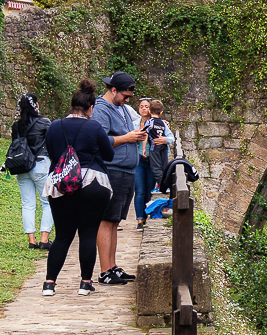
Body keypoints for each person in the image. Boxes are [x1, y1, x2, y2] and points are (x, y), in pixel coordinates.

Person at [42, 80, 115, 297]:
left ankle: (49, 283)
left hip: (61, 185)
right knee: (88, 234)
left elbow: (54, 155)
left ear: (72, 105)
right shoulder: (94, 127)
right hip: (93, 183)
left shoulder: (54, 126)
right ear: (91, 108)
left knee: (63, 235)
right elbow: (109, 155)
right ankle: (85, 283)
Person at [93, 72, 146, 285]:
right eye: (125, 96)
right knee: (106, 220)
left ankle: (112, 266)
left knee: (115, 220)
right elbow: (99, 140)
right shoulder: (101, 109)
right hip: (112, 169)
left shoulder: (122, 108)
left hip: (126, 170)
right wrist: (128, 138)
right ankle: (105, 270)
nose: (128, 100)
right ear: (113, 90)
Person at [11, 94, 53, 249]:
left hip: (22, 166)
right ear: (36, 104)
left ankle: (31, 240)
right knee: (48, 202)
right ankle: (44, 239)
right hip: (41, 164)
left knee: (27, 204)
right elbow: (51, 141)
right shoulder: (44, 122)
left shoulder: (16, 125)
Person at [132, 98, 171, 229]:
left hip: (152, 159)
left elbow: (171, 138)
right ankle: (140, 220)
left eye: (146, 106)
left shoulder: (160, 123)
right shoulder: (134, 123)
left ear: (150, 109)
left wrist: (165, 139)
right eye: (141, 106)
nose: (144, 108)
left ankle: (147, 215)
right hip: (138, 160)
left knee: (149, 190)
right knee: (139, 190)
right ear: (138, 109)